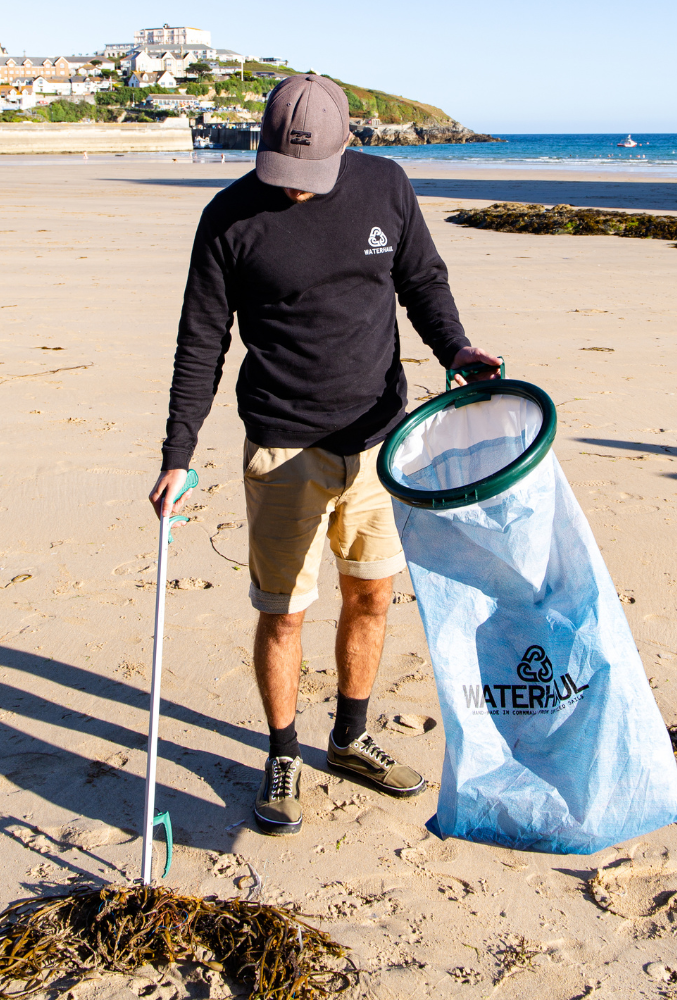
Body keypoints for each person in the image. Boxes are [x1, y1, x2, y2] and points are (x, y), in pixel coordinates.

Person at [149, 74, 500, 836]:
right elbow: (199, 343)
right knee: (284, 613)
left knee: (372, 596)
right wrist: (179, 451)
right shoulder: (227, 220)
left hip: (379, 440)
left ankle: (350, 735)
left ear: (347, 145)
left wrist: (457, 347)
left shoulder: (387, 187)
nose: (297, 193)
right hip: (282, 447)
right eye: (283, 174)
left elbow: (422, 282)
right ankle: (281, 751)